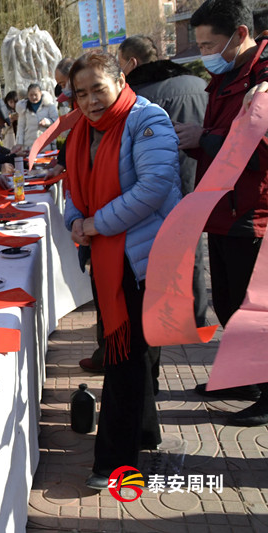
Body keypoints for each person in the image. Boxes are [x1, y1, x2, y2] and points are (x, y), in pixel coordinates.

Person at [62, 52, 181, 490]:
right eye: (80, 93)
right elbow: (74, 185)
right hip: (108, 257)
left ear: (119, 80)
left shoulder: (146, 120)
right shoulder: (83, 132)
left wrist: (95, 223)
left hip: (142, 258)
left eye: (98, 89)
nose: (90, 101)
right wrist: (75, 219)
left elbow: (153, 186)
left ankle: (114, 464)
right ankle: (143, 433)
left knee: (125, 359)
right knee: (134, 354)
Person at [174, 0, 268, 424]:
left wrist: (204, 136)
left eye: (210, 43)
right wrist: (197, 139)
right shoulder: (228, 76)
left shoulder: (262, 80)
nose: (204, 52)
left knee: (254, 309)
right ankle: (244, 377)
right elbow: (224, 138)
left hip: (253, 210)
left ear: (240, 35)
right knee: (229, 302)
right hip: (223, 208)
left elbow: (259, 149)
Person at [118, 34, 210, 331]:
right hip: (201, 175)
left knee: (157, 251)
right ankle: (196, 316)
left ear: (132, 62)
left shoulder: (140, 93)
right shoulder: (199, 83)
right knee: (193, 248)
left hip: (159, 182)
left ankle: (166, 317)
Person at [12, 83, 58, 154]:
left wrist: (47, 122)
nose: (33, 97)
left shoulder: (49, 105)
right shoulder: (23, 108)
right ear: (27, 95)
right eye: (31, 95)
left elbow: (57, 122)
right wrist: (19, 143)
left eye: (36, 95)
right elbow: (21, 127)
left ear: (40, 93)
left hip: (46, 145)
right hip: (29, 146)